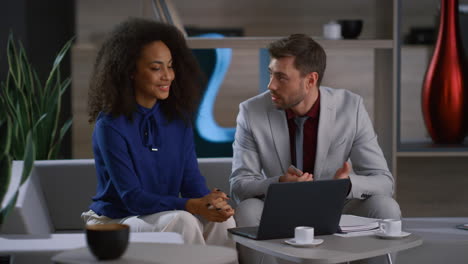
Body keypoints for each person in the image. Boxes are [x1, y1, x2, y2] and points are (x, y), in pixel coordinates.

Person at [230, 34, 401, 264]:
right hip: (279, 210)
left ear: (310, 80)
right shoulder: (251, 112)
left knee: (385, 207)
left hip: (336, 209)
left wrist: (347, 184)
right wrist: (279, 183)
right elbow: (239, 185)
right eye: (271, 74)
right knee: (248, 210)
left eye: (281, 77)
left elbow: (384, 181)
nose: (271, 85)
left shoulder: (351, 108)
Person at [82, 18, 236, 254]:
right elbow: (132, 198)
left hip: (162, 215)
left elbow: (191, 181)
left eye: (170, 65)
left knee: (222, 220)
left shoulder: (178, 120)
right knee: (182, 221)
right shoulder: (110, 126)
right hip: (116, 221)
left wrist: (210, 202)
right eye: (156, 68)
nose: (167, 76)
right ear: (130, 71)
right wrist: (190, 205)